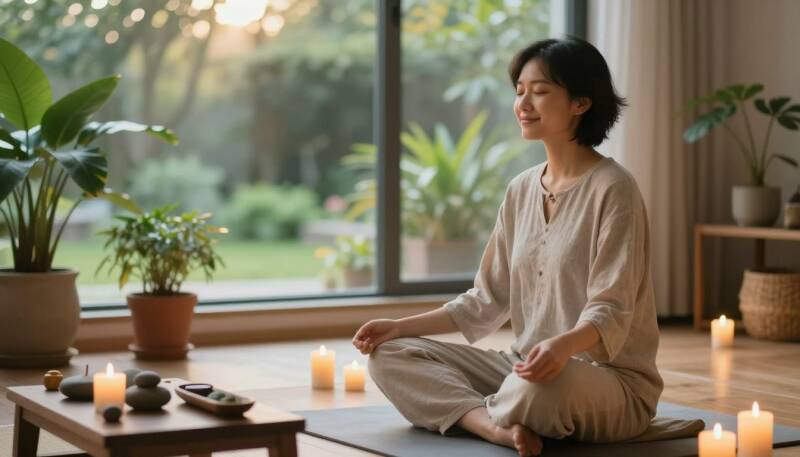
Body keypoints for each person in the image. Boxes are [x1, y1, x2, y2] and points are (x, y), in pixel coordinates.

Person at [352, 36, 663, 457]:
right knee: (390, 357)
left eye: (540, 91)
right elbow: (486, 299)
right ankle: (493, 427)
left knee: (543, 384)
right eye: (519, 91)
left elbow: (611, 308)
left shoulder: (615, 189)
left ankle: (492, 411)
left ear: (581, 103)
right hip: (520, 367)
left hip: (603, 381)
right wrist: (400, 327)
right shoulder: (520, 189)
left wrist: (562, 346)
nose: (523, 103)